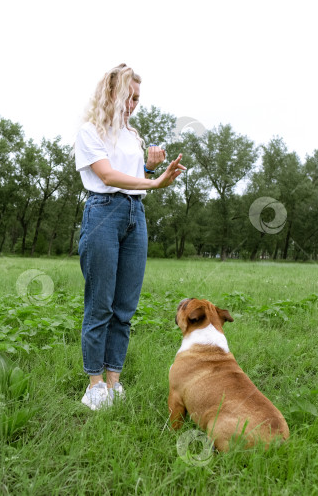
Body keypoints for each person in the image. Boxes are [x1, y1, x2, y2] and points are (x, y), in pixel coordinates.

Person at [74, 63, 186, 410]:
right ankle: (94, 387)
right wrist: (154, 183)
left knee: (124, 308)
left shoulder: (132, 135)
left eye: (137, 98)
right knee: (100, 305)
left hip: (135, 215)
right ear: (110, 92)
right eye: (128, 95)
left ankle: (114, 383)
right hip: (103, 213)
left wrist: (151, 166)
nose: (132, 103)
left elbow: (132, 174)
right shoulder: (90, 131)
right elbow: (108, 176)